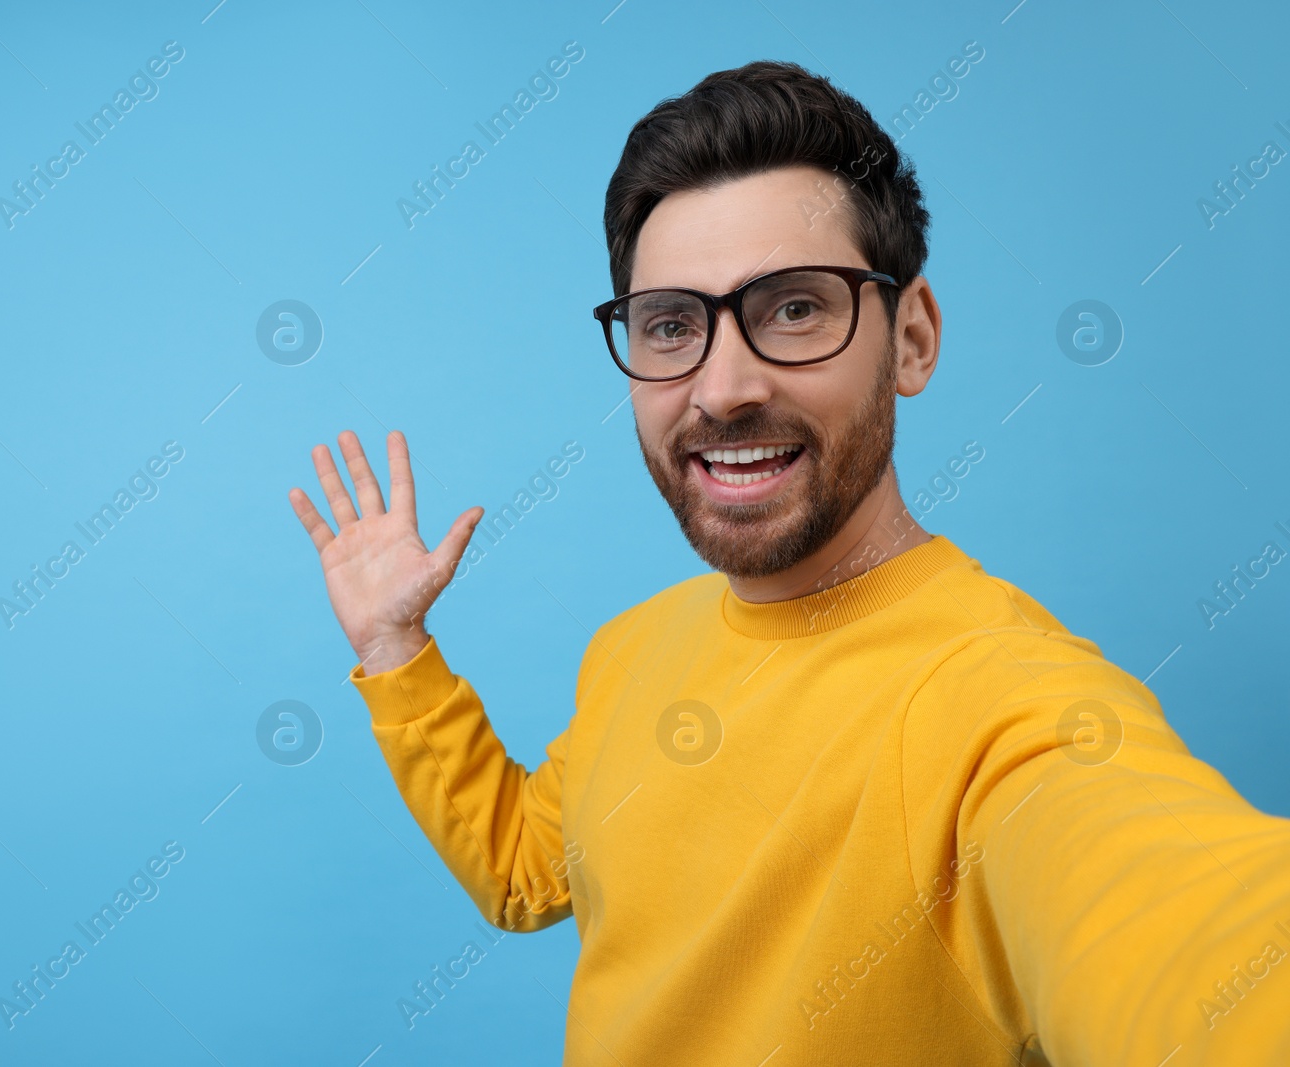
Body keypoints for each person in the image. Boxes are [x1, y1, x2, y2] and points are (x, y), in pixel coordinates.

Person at [287, 60, 1290, 1065]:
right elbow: (521, 871)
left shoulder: (1007, 707)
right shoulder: (631, 648)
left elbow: (1185, 927)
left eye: (794, 308)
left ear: (912, 338)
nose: (721, 388)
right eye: (672, 324)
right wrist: (395, 648)